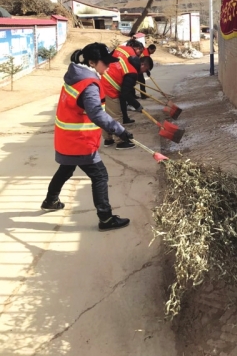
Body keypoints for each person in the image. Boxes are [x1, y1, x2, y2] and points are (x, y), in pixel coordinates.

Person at [41, 43, 133, 231]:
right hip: (79, 141)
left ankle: (51, 200)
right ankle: (106, 218)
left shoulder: (74, 76)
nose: (108, 67)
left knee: (66, 170)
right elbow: (96, 114)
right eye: (105, 63)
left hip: (66, 138)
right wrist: (119, 130)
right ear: (92, 62)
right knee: (100, 175)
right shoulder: (89, 84)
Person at [101, 52, 153, 146]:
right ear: (142, 65)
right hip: (109, 89)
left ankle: (108, 139)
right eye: (146, 69)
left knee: (107, 115)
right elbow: (126, 93)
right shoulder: (132, 72)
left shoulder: (128, 61)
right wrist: (137, 106)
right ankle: (120, 142)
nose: (144, 72)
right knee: (117, 116)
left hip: (102, 85)